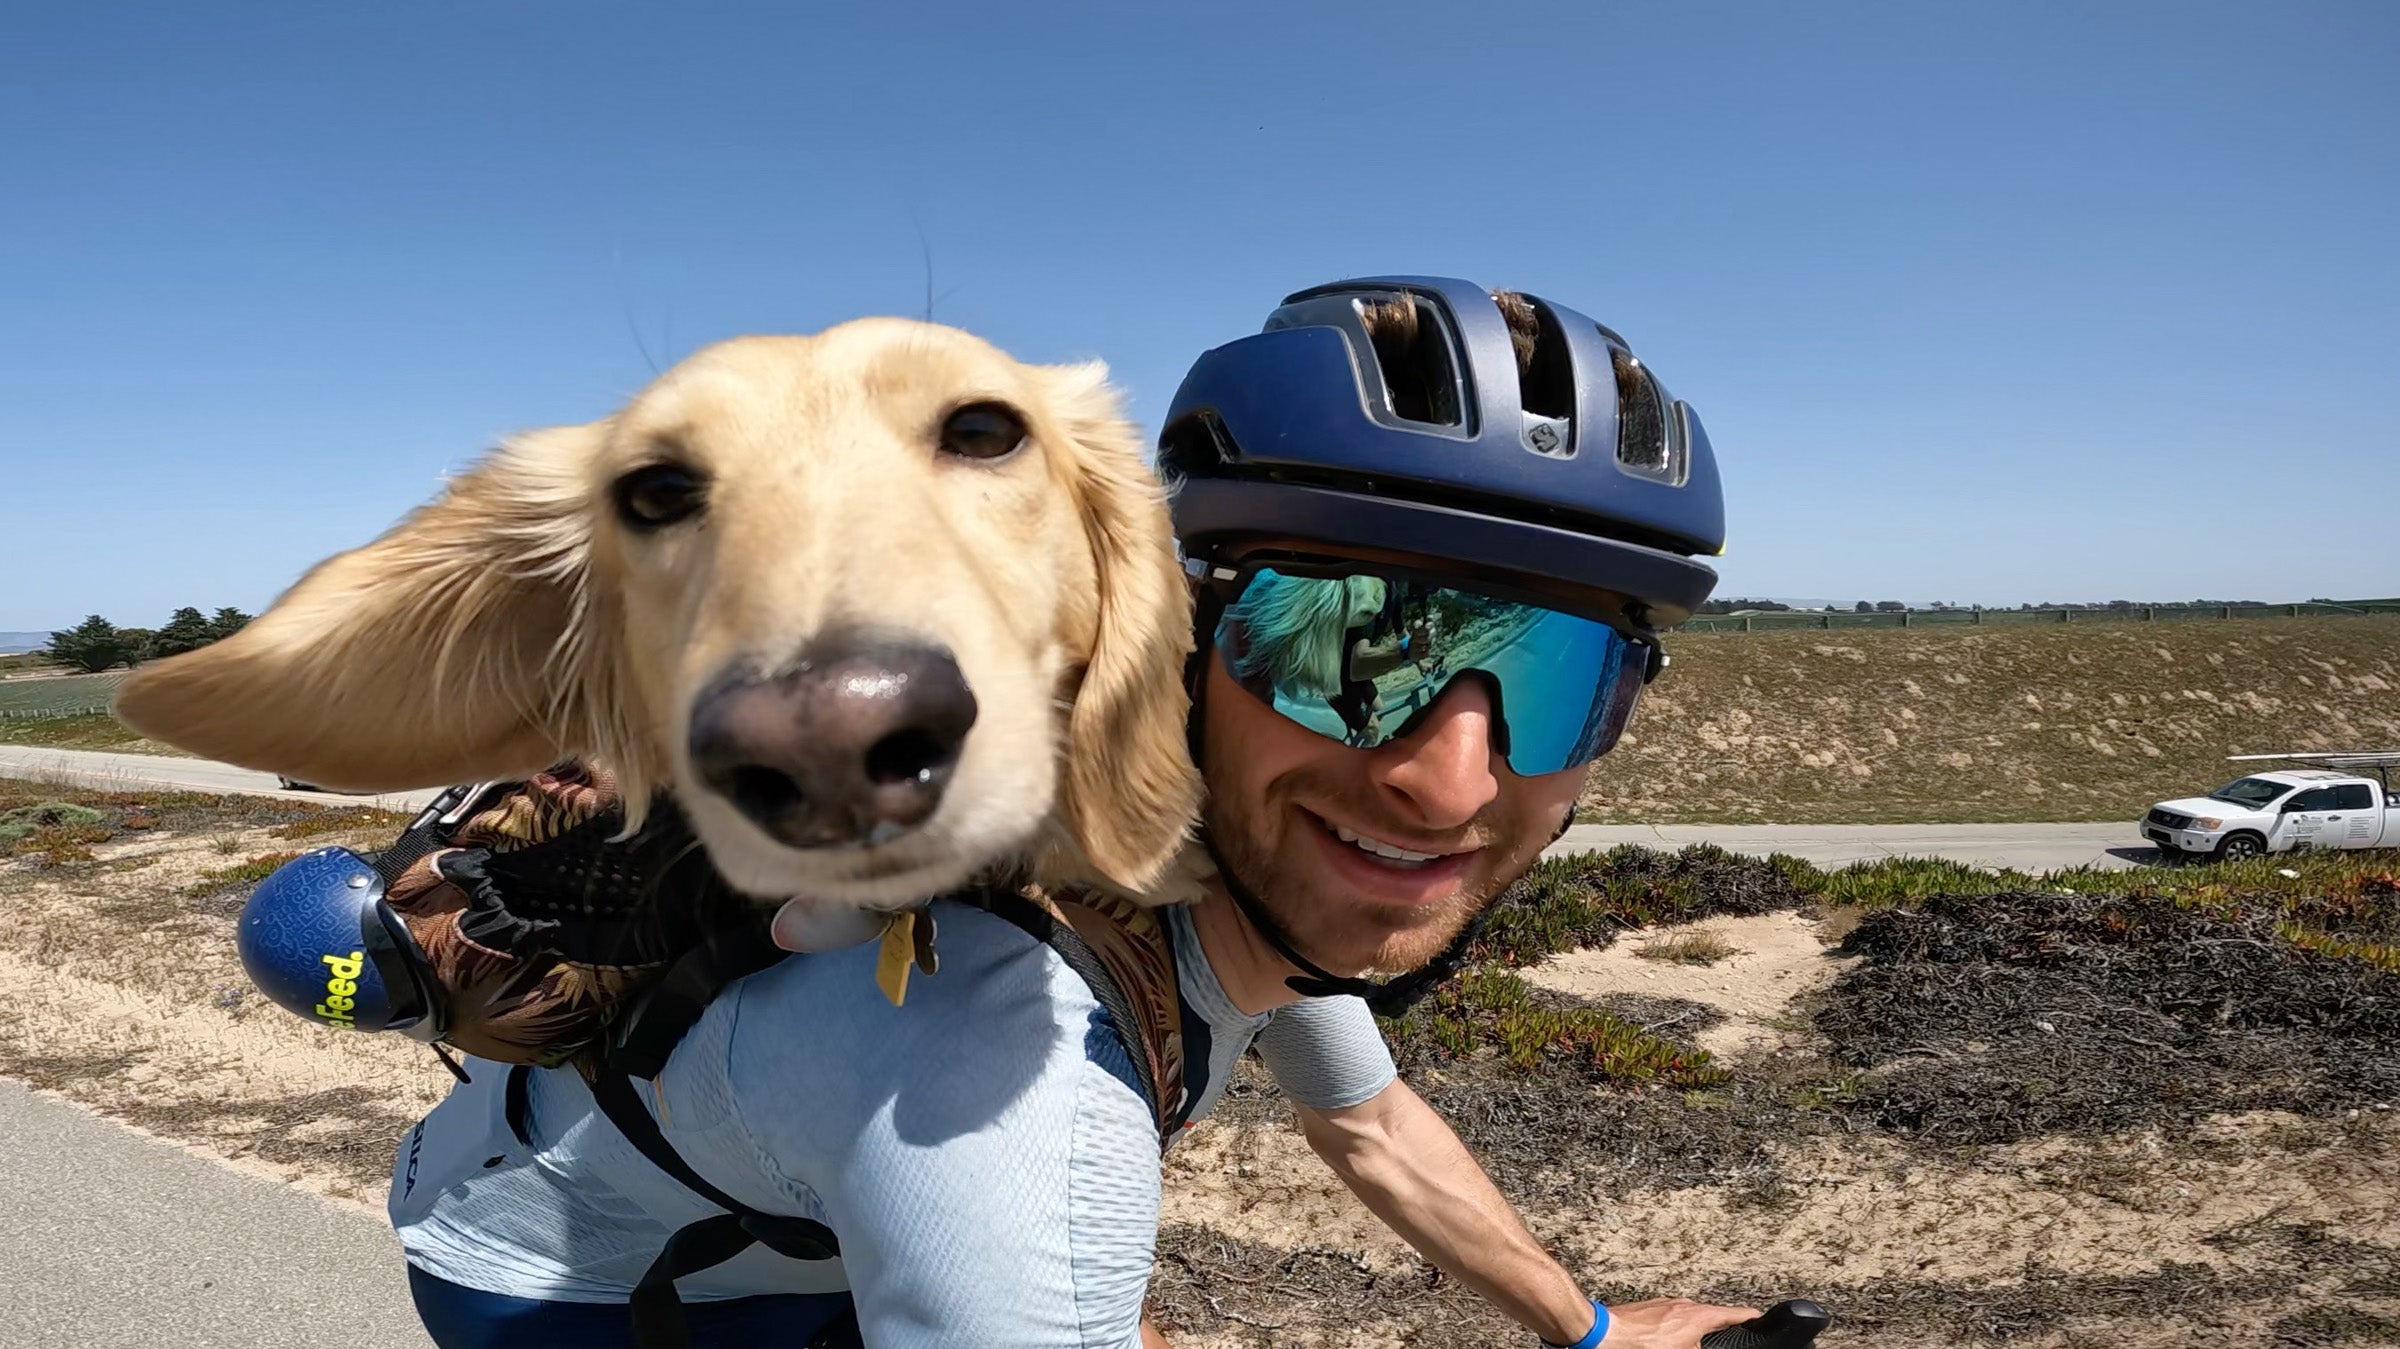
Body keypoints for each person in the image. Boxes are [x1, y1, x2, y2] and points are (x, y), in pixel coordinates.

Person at [386, 276, 1753, 1349]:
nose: (1449, 779)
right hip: (559, 1284)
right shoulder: (1017, 1113)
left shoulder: (1252, 882)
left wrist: (1586, 1330)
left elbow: (1372, 1124)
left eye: (1561, 675)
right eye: (1338, 641)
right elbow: (1036, 1224)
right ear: (1174, 637)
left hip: (779, 1228)